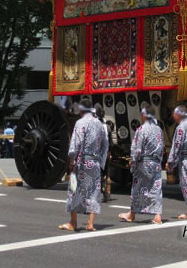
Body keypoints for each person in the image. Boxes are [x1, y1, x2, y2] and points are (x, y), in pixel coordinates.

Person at [60, 96, 108, 232]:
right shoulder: (100, 124)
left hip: (81, 162)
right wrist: (102, 162)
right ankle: (90, 223)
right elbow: (105, 144)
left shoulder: (80, 123)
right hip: (95, 163)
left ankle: (73, 222)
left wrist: (71, 159)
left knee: (74, 190)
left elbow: (76, 143)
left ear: (81, 110)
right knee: (93, 191)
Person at [119, 105, 164, 225]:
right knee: (156, 189)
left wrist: (133, 162)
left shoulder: (142, 129)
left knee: (137, 188)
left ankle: (132, 214)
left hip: (144, 162)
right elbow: (162, 148)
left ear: (144, 115)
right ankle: (157, 216)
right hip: (156, 162)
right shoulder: (158, 129)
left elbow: (137, 149)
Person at [94, 103, 113, 203]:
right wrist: (109, 152)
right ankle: (106, 194)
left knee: (98, 175)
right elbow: (111, 143)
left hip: (95, 154)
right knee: (105, 174)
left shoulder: (94, 126)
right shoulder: (107, 127)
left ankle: (100, 194)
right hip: (105, 154)